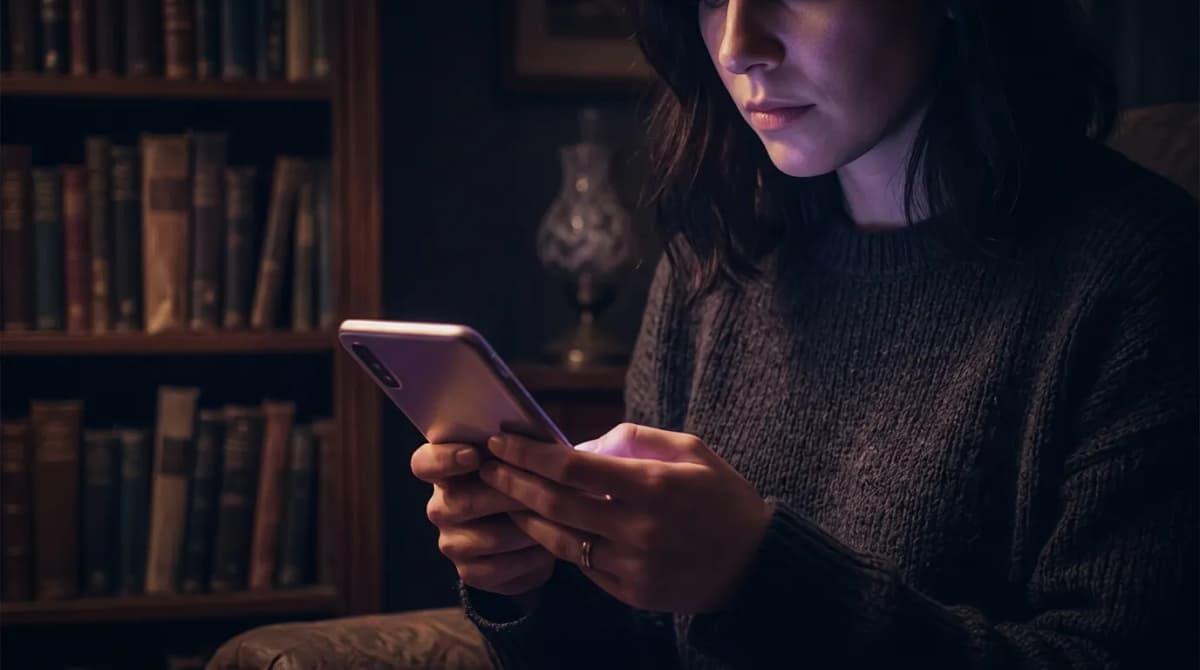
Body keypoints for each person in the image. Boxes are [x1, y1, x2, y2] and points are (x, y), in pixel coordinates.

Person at [411, 0, 1198, 667]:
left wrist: (755, 575)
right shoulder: (713, 266)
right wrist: (529, 587)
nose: (737, 45)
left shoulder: (1142, 273)